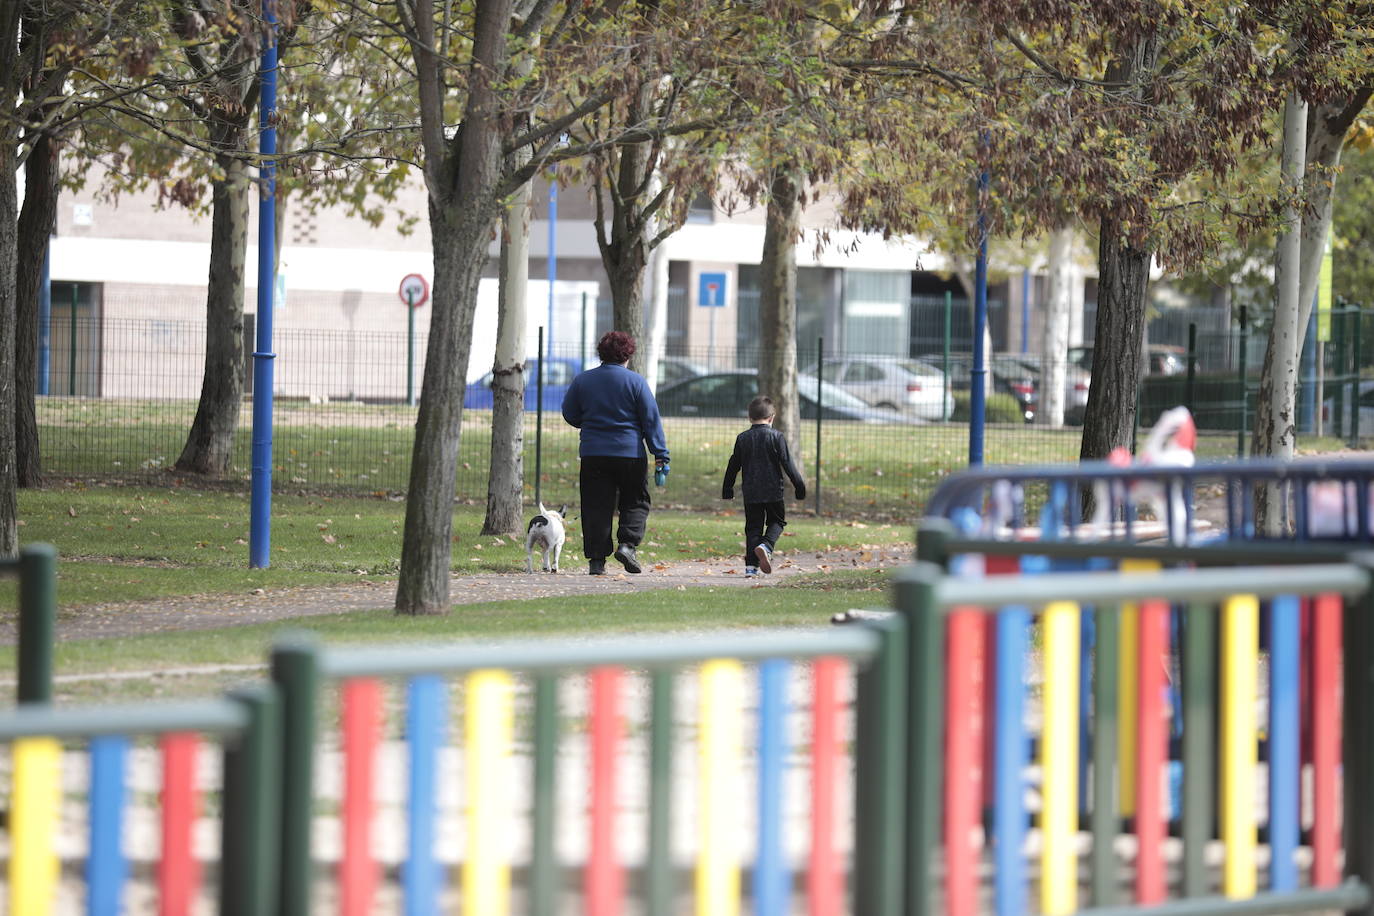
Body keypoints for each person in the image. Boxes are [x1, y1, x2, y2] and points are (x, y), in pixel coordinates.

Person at [562, 331, 670, 575]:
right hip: (630, 452)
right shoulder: (636, 382)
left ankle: (597, 561)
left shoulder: (583, 381)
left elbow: (569, 412)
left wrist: (589, 424)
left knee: (595, 506)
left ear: (601, 353)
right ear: (628, 355)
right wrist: (660, 453)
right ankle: (627, 544)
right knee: (635, 501)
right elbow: (651, 420)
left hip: (593, 452)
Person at [721, 395, 806, 577]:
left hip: (751, 491)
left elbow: (733, 464)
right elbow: (788, 463)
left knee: (753, 527)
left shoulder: (742, 438)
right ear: (772, 417)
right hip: (773, 490)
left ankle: (751, 567)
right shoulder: (776, 437)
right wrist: (799, 486)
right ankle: (766, 545)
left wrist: (727, 488)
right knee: (777, 521)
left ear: (749, 417)